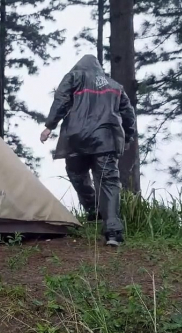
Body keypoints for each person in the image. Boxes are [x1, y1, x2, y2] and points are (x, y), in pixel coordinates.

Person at [40, 54, 136, 246]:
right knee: (108, 182)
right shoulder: (115, 86)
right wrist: (128, 135)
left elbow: (61, 100)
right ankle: (113, 233)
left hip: (77, 138)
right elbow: (128, 114)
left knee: (76, 172)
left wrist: (50, 125)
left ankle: (93, 210)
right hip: (107, 140)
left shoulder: (73, 77)